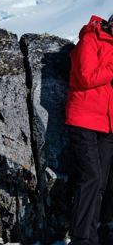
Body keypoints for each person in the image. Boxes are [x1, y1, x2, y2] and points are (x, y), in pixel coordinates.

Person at [66, 14, 113, 245]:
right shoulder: (90, 38)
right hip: (83, 120)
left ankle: (95, 236)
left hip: (107, 124)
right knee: (91, 178)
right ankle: (81, 239)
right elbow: (85, 76)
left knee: (102, 183)